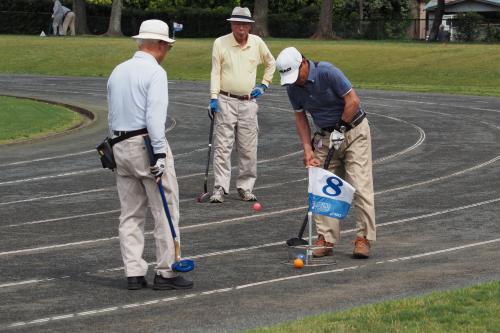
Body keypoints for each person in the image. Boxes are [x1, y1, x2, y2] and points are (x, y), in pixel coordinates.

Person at [107, 19, 193, 290]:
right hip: (145, 144)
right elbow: (155, 119)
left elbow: (111, 115)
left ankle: (133, 272)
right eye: (167, 46)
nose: (167, 52)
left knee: (130, 213)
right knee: (165, 209)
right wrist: (159, 155)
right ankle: (166, 271)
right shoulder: (155, 73)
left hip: (119, 144)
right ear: (157, 45)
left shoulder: (117, 71)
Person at [275, 47, 376, 258]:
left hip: (354, 131)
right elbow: (300, 118)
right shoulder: (292, 87)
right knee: (320, 186)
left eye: (295, 75)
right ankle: (326, 238)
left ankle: (363, 238)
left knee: (359, 184)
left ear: (303, 63)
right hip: (325, 136)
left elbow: (353, 101)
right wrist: (307, 149)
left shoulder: (327, 72)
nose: (293, 81)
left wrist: (341, 128)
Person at [208, 6, 276, 203]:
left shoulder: (257, 43)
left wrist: (264, 85)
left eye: (244, 25)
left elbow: (271, 63)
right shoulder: (220, 43)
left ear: (249, 26)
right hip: (225, 100)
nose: (241, 28)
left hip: (248, 102)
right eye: (237, 24)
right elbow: (215, 71)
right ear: (231, 24)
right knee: (222, 146)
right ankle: (220, 187)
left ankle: (245, 187)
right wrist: (213, 97)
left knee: (248, 147)